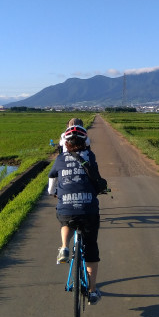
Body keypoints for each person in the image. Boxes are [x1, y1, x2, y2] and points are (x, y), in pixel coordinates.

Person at [48, 120, 104, 305]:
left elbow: (50, 188)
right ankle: (93, 291)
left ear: (66, 142)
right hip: (89, 210)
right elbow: (96, 178)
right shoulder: (90, 156)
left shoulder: (60, 159)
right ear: (85, 141)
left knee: (66, 221)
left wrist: (55, 193)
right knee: (91, 249)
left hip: (67, 210)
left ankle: (64, 247)